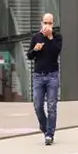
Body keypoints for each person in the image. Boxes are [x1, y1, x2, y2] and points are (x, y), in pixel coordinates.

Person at [26, 12, 62, 145]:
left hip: (52, 75)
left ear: (53, 24)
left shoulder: (57, 37)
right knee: (37, 105)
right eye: (45, 23)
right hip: (38, 76)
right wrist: (35, 49)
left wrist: (50, 37)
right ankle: (45, 127)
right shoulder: (36, 37)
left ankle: (49, 135)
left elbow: (57, 51)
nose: (47, 25)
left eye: (50, 23)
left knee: (52, 106)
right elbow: (29, 55)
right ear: (42, 23)